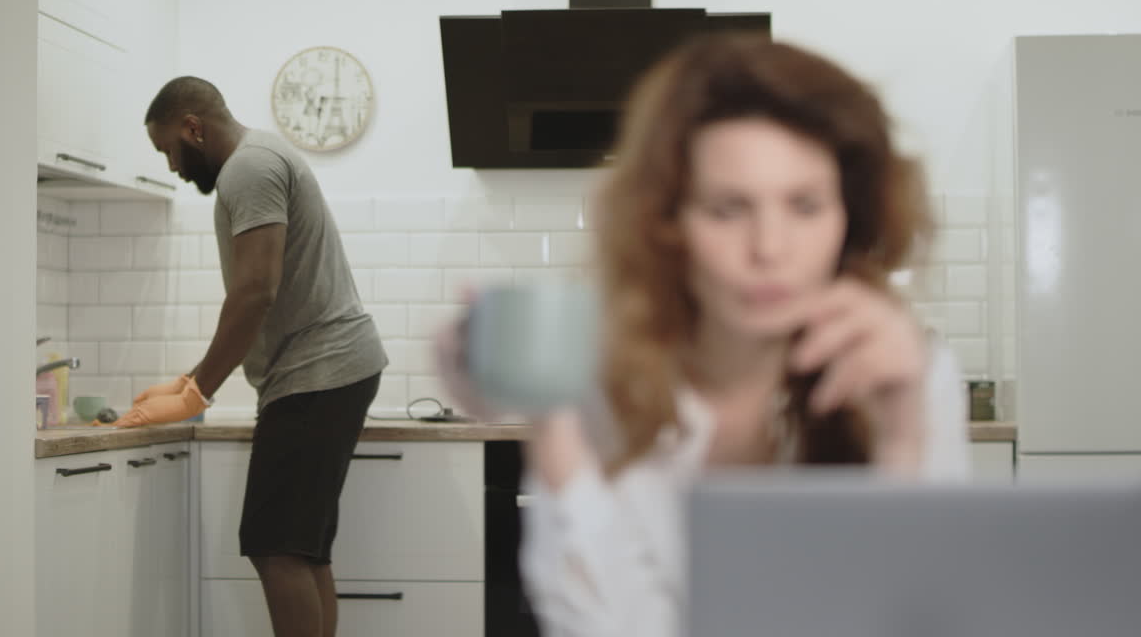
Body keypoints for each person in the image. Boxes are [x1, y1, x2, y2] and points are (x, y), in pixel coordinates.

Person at [435, 37, 969, 637]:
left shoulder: (909, 376)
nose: (769, 249)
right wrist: (553, 427)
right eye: (727, 209)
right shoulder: (604, 385)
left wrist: (901, 441)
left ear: (851, 217)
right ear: (668, 223)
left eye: (805, 205)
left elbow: (925, 619)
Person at [119, 76, 388, 637]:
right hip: (331, 370)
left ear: (193, 128)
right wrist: (188, 379)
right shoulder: (261, 157)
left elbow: (255, 291)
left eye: (169, 150)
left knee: (277, 548)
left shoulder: (249, 168)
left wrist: (198, 392)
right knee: (303, 550)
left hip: (317, 373)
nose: (172, 166)